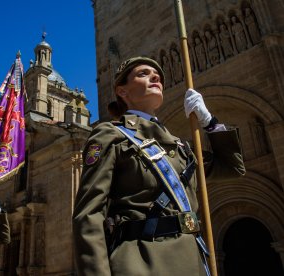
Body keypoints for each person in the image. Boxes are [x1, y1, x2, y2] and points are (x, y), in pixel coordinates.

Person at [72, 56, 245, 275]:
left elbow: (232, 168)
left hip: (193, 262)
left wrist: (209, 122)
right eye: (143, 73)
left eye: (158, 76)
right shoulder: (111, 135)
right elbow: (89, 214)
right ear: (122, 91)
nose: (155, 77)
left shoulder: (179, 146)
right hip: (143, 261)